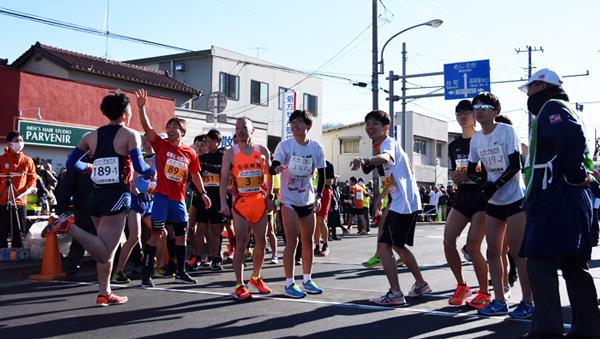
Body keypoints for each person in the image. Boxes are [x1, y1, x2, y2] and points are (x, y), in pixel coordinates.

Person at [44, 90, 155, 306]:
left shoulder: (90, 136)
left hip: (95, 196)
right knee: (104, 253)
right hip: (117, 195)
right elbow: (141, 167)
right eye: (130, 109)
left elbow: (71, 164)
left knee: (105, 246)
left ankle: (104, 292)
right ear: (125, 113)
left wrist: (89, 167)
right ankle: (69, 226)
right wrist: (152, 173)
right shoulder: (130, 135)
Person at [519, 68, 600, 337]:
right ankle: (587, 329)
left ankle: (547, 331)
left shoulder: (552, 107)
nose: (528, 94)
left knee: (540, 263)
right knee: (574, 265)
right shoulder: (566, 107)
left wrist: (573, 172)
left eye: (530, 88)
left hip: (555, 197)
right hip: (573, 197)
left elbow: (569, 135)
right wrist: (577, 175)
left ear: (541, 86)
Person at [351, 110, 430, 305]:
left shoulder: (388, 144)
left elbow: (386, 158)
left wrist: (366, 161)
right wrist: (382, 196)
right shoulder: (379, 145)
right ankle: (420, 284)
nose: (370, 127)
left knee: (385, 245)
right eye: (367, 123)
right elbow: (391, 176)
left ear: (386, 127)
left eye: (374, 124)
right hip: (403, 201)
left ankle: (395, 293)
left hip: (404, 202)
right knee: (396, 245)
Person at [135, 89, 211, 287]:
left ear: (182, 132)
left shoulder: (190, 153)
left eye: (174, 127)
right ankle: (147, 274)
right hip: (161, 198)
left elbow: (195, 175)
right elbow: (148, 127)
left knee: (181, 235)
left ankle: (180, 272)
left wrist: (203, 193)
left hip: (178, 201)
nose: (169, 129)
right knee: (156, 234)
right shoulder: (161, 145)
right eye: (168, 126)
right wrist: (141, 107)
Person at [466, 92, 533, 318]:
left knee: (517, 252)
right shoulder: (476, 139)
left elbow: (515, 165)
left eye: (485, 106)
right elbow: (472, 170)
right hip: (494, 202)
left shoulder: (506, 131)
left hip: (515, 198)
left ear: (496, 111)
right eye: (476, 106)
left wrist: (495, 185)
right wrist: (482, 183)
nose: (479, 110)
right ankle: (499, 301)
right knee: (493, 251)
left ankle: (528, 301)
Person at [271, 110, 326, 298]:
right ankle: (289, 283)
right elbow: (274, 165)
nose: (294, 126)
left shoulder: (316, 147)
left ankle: (308, 279)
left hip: (308, 199)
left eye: (298, 123)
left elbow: (323, 174)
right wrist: (276, 167)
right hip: (289, 200)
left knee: (308, 242)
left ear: (307, 126)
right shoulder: (285, 145)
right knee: (292, 240)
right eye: (291, 123)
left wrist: (318, 196)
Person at [219, 117, 274, 301]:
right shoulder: (230, 153)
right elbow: (223, 180)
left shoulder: (262, 150)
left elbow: (270, 175)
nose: (240, 130)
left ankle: (255, 277)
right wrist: (223, 203)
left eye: (244, 127)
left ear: (252, 130)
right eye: (237, 127)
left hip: (259, 202)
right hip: (241, 204)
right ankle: (239, 284)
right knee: (241, 243)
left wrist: (269, 198)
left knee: (262, 243)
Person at [443, 99, 490, 309]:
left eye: (467, 112)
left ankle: (484, 292)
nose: (462, 116)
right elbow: (458, 170)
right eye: (458, 112)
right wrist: (456, 176)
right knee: (448, 240)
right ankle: (462, 285)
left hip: (482, 199)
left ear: (475, 116)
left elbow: (490, 173)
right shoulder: (454, 145)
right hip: (461, 198)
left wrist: (471, 178)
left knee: (473, 246)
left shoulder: (484, 140)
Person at [54, 154, 96, 277]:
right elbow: (66, 187)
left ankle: (108, 265)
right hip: (84, 207)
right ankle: (71, 267)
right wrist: (62, 208)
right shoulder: (78, 163)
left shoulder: (105, 159)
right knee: (80, 238)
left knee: (106, 238)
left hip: (103, 207)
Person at [197, 129, 228, 271]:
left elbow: (222, 170)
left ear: (219, 142)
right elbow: (194, 176)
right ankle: (197, 257)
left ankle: (215, 258)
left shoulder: (224, 155)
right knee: (201, 228)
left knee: (216, 229)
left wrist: (207, 168)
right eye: (207, 141)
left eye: (212, 141)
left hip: (218, 197)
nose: (209, 144)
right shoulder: (202, 158)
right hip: (203, 197)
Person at [0, 131, 36, 248]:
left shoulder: (28, 161)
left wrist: (30, 189)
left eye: (21, 140)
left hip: (20, 202)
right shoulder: (2, 160)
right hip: (2, 201)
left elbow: (32, 179)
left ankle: (18, 257)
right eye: (16, 141)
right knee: (1, 231)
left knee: (19, 232)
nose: (19, 143)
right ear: (9, 143)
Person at [314, 160, 335, 255]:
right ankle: (317, 246)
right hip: (312, 193)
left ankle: (325, 245)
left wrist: (320, 178)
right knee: (315, 222)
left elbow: (330, 181)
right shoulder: (310, 162)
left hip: (324, 192)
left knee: (321, 220)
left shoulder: (328, 164)